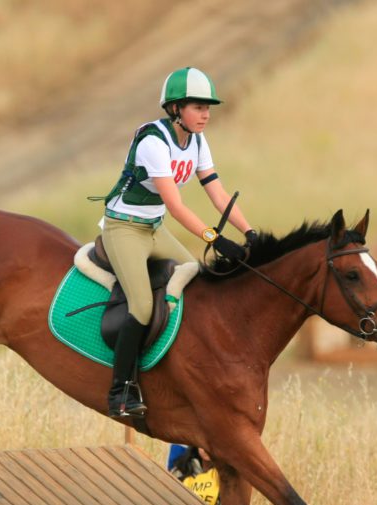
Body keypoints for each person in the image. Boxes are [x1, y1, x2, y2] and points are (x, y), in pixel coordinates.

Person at [98, 66, 258, 417]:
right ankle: (119, 391)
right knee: (140, 306)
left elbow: (218, 195)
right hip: (123, 229)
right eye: (197, 107)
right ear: (175, 109)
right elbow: (176, 205)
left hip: (154, 228)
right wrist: (215, 240)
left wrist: (249, 233)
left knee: (195, 279)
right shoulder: (154, 142)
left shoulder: (198, 141)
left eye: (207, 107)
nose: (205, 114)